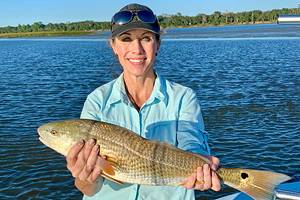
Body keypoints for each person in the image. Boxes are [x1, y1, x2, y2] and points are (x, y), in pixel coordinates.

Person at [66, 3, 221, 200]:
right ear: (113, 46)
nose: (136, 49)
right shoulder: (97, 101)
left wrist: (201, 169)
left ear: (158, 44)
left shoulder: (183, 97)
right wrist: (84, 176)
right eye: (126, 39)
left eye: (146, 39)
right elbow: (89, 190)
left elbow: (191, 143)